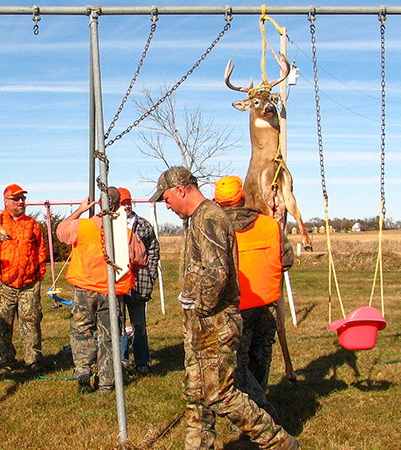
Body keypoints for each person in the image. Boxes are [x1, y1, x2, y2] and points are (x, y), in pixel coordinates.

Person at [149, 166, 299, 450]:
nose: (166, 205)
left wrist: (200, 306)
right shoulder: (200, 218)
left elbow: (218, 273)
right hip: (201, 321)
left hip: (214, 321)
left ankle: (279, 442)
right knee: (195, 393)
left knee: (219, 393)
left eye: (166, 198)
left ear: (181, 190)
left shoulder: (209, 218)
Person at [214, 175, 294, 420]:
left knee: (238, 365)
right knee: (261, 358)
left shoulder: (216, 230)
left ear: (217, 202)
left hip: (235, 310)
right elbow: (287, 260)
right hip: (265, 306)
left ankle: (253, 413)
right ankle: (259, 404)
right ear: (243, 198)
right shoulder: (269, 225)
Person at [56, 187, 147, 393]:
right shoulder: (126, 234)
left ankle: (83, 371)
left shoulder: (82, 226)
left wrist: (79, 210)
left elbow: (60, 231)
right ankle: (106, 382)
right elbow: (142, 259)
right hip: (112, 293)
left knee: (81, 331)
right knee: (110, 336)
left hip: (84, 290)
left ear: (98, 203)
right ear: (119, 206)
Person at [0, 183, 48, 373]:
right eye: (16, 199)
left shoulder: (33, 225)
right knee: (3, 324)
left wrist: (38, 275)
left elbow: (41, 251)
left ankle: (33, 360)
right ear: (6, 201)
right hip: (2, 284)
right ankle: (7, 360)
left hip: (29, 285)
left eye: (23, 198)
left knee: (31, 322)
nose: (21, 202)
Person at [117, 187, 160, 375]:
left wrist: (150, 275)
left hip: (138, 284)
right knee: (118, 325)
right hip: (118, 284)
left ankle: (142, 361)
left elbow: (153, 249)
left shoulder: (143, 225)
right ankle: (122, 360)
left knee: (139, 325)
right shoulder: (109, 226)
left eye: (128, 202)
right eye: (122, 203)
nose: (126, 206)